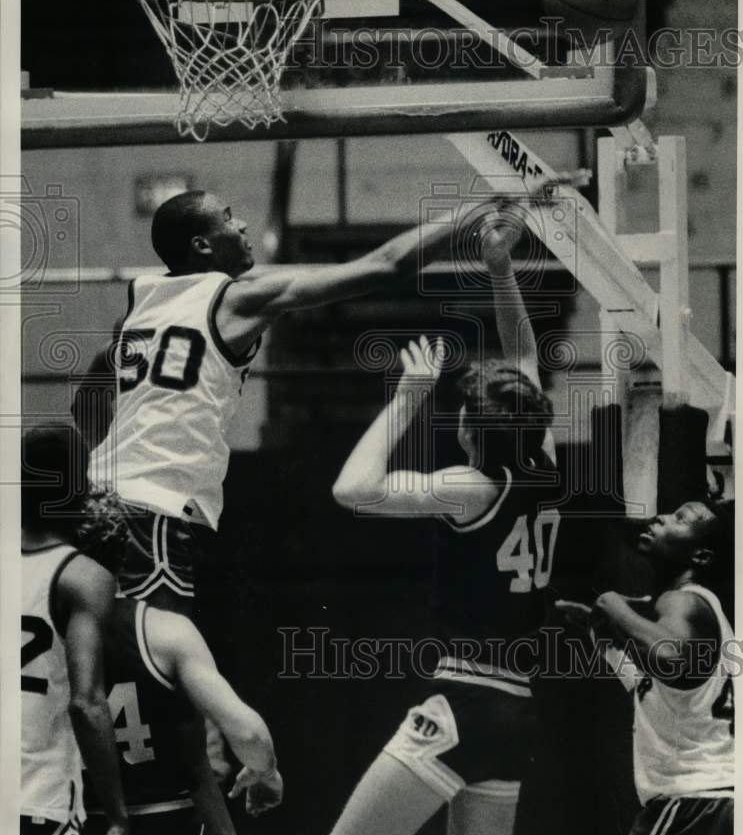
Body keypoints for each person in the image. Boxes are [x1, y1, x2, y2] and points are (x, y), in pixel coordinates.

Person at [73, 189, 485, 615]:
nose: (242, 225)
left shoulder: (140, 306)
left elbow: (87, 398)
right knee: (161, 646)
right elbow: (386, 266)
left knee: (106, 646)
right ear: (202, 245)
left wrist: (105, 467)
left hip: (98, 500)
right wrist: (477, 207)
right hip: (153, 506)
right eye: (228, 218)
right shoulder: (238, 299)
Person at [329, 205, 560, 835]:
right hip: (516, 709)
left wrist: (409, 393)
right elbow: (524, 355)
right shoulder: (544, 465)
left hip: (463, 703)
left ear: (466, 430)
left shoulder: (469, 489)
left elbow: (352, 489)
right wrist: (500, 267)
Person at [74, 510, 282, 835]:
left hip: (70, 826)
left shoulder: (35, 636)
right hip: (165, 826)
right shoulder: (167, 632)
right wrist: (266, 771)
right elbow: (250, 735)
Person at [556, 499, 735, 835]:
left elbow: (669, 656)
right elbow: (657, 686)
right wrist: (602, 636)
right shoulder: (695, 609)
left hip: (694, 801)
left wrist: (611, 603)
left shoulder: (683, 601)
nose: (661, 518)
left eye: (680, 519)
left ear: (701, 556)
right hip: (716, 799)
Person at [20, 426, 128, 835]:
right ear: (78, 489)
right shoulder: (82, 577)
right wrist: (118, 816)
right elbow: (86, 704)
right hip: (40, 797)